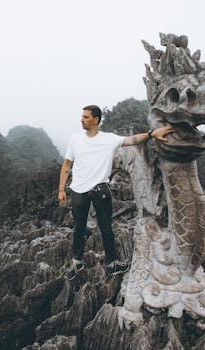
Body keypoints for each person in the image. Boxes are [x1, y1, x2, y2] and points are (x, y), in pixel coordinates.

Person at [58, 105, 173, 280]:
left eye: (86, 117)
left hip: (100, 190)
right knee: (78, 229)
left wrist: (151, 134)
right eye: (82, 116)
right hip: (78, 190)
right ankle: (77, 262)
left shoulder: (109, 139)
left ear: (96, 120)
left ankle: (112, 263)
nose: (82, 120)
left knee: (106, 229)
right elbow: (66, 166)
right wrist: (61, 190)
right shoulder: (75, 139)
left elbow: (132, 140)